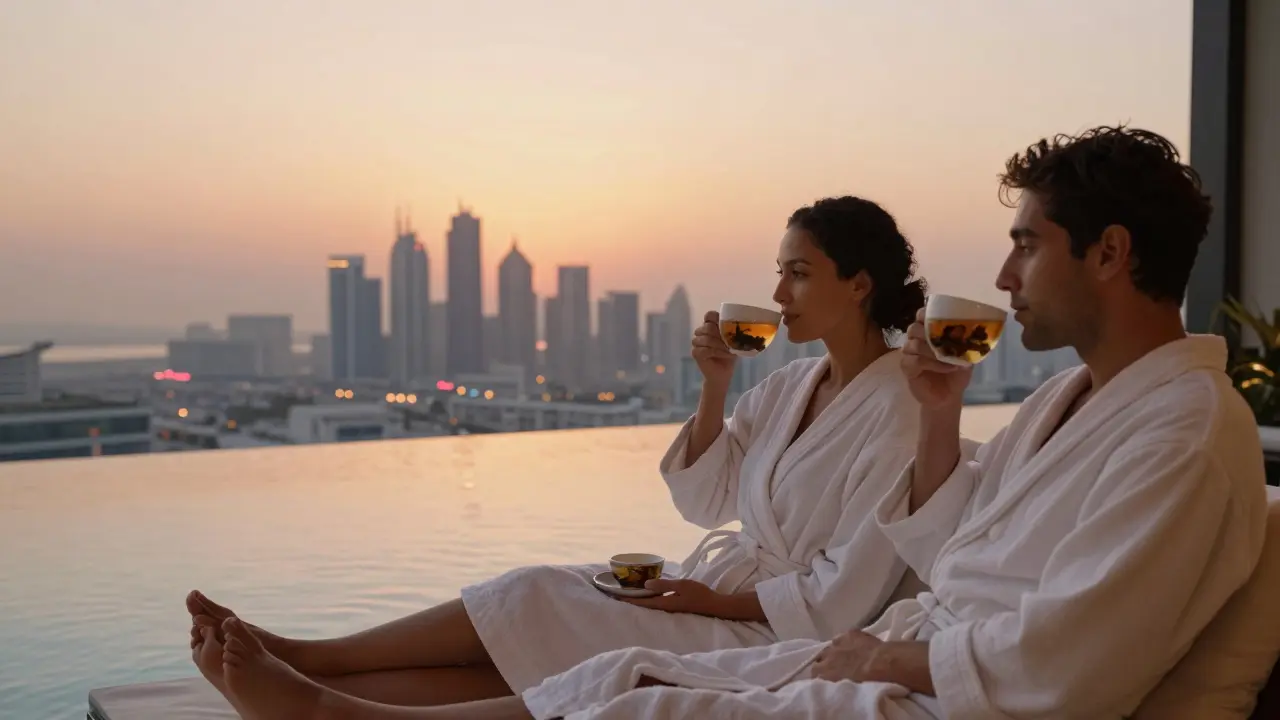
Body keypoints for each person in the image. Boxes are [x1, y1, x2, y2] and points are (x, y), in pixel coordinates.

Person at [189, 125, 1270, 720]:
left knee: (638, 695)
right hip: (897, 652)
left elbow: (1073, 668)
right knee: (619, 673)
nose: (1000, 273)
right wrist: (940, 425)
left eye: (1025, 243)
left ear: (1110, 253)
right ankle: (335, 702)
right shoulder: (1065, 407)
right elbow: (959, 559)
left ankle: (332, 712)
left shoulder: (1180, 431)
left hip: (934, 690)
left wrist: (880, 661)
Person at [187, 195, 931, 709]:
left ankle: (319, 683)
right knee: (541, 599)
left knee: (542, 606)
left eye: (798, 272)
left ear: (858, 283)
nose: (777, 292)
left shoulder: (901, 406)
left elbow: (847, 594)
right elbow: (707, 500)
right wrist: (714, 387)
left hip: (774, 627)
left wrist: (714, 600)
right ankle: (314, 673)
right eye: (778, 270)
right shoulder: (795, 383)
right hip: (721, 595)